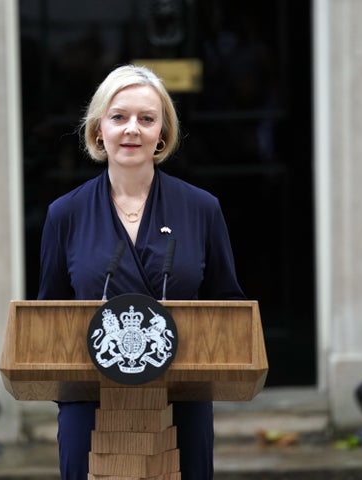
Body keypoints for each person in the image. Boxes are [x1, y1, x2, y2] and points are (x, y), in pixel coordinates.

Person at [37, 64, 245, 480]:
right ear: (99, 130)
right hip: (90, 402)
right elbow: (50, 320)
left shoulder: (202, 209)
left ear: (162, 133)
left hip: (181, 400)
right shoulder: (65, 214)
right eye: (119, 117)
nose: (132, 129)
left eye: (146, 119)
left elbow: (230, 311)